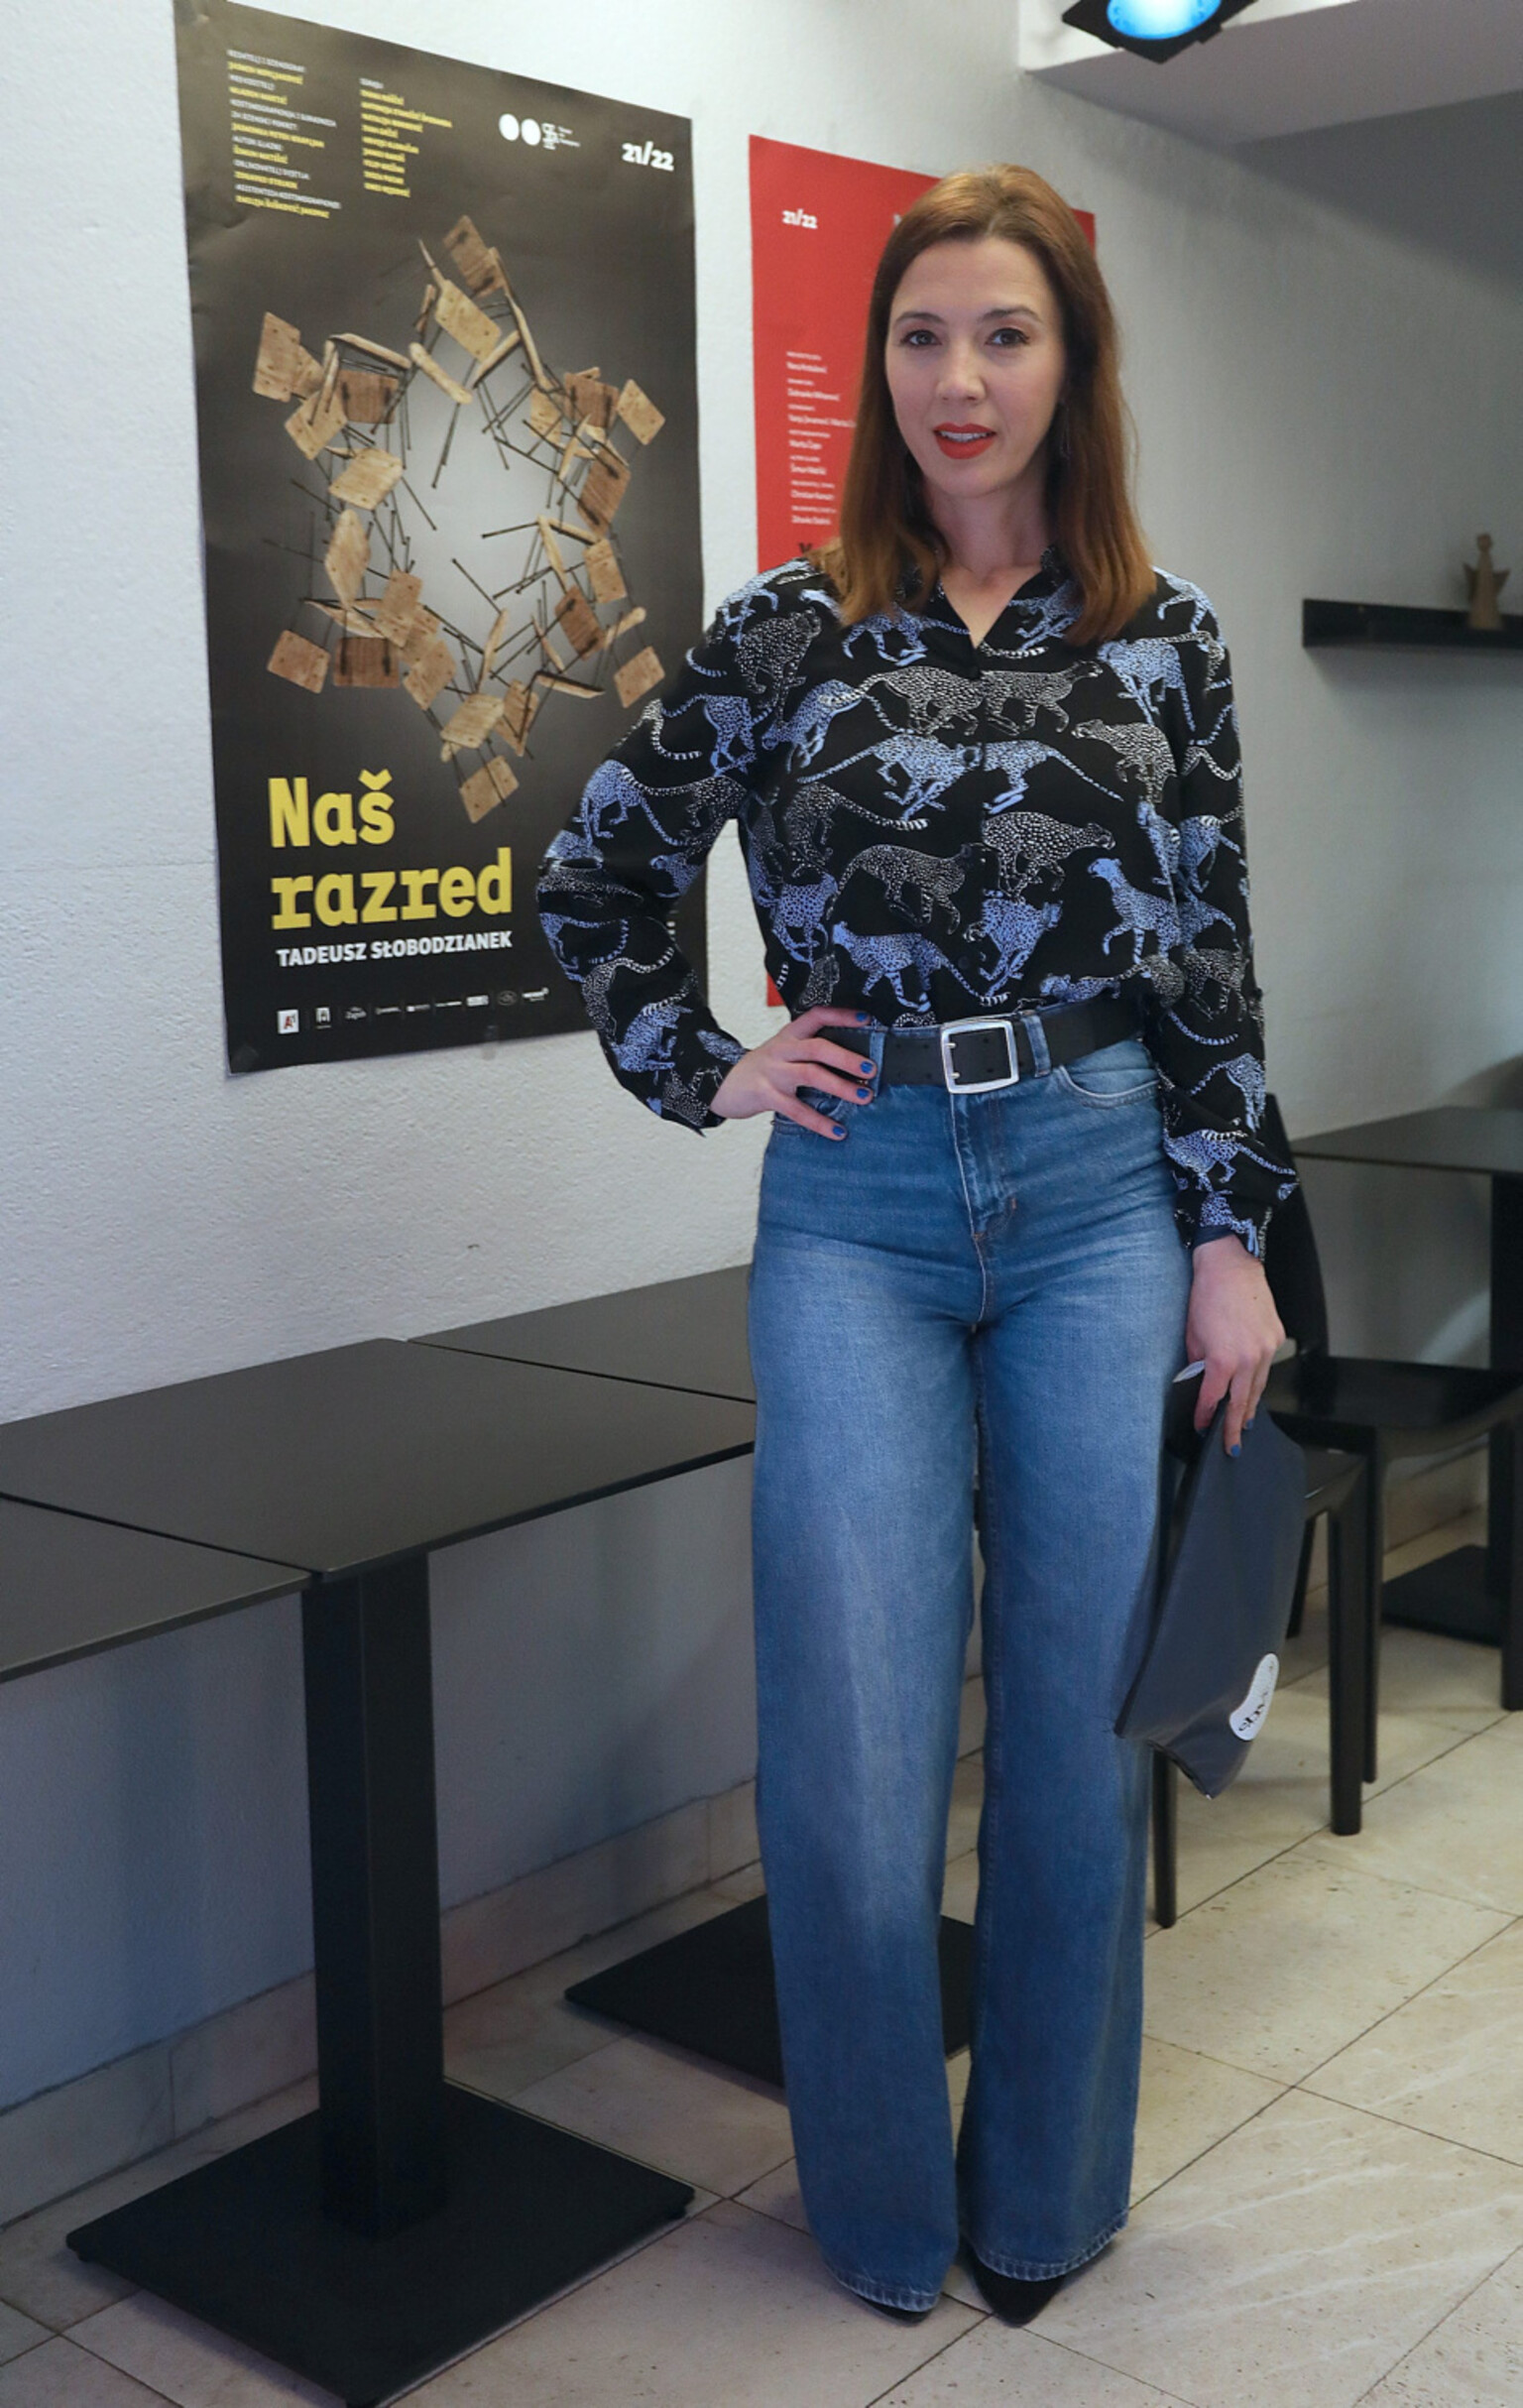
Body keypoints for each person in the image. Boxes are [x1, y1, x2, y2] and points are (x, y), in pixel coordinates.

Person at [537, 165, 1293, 2326]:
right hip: (858, 1204)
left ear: (1073, 365)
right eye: (923, 336)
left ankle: (1043, 2197)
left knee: (1073, 1738)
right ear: (878, 368)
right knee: (855, 1751)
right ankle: (876, 2211)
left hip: (1101, 1186)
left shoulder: (1168, 634)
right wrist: (708, 1064)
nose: (962, 379)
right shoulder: (787, 626)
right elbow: (595, 876)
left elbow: (1211, 960)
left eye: (1006, 334)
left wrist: (1231, 1232)